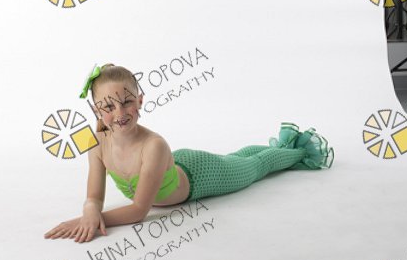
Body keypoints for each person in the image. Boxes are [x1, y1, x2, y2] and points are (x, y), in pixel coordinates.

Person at [45, 63, 333, 243]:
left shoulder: (153, 145)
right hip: (174, 165)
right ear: (97, 110)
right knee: (238, 156)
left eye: (127, 102)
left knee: (255, 166)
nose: (119, 113)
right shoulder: (97, 143)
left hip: (203, 175)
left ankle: (296, 150)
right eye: (108, 107)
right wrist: (89, 210)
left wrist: (93, 222)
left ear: (140, 100)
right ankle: (277, 146)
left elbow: (140, 210)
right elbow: (94, 196)